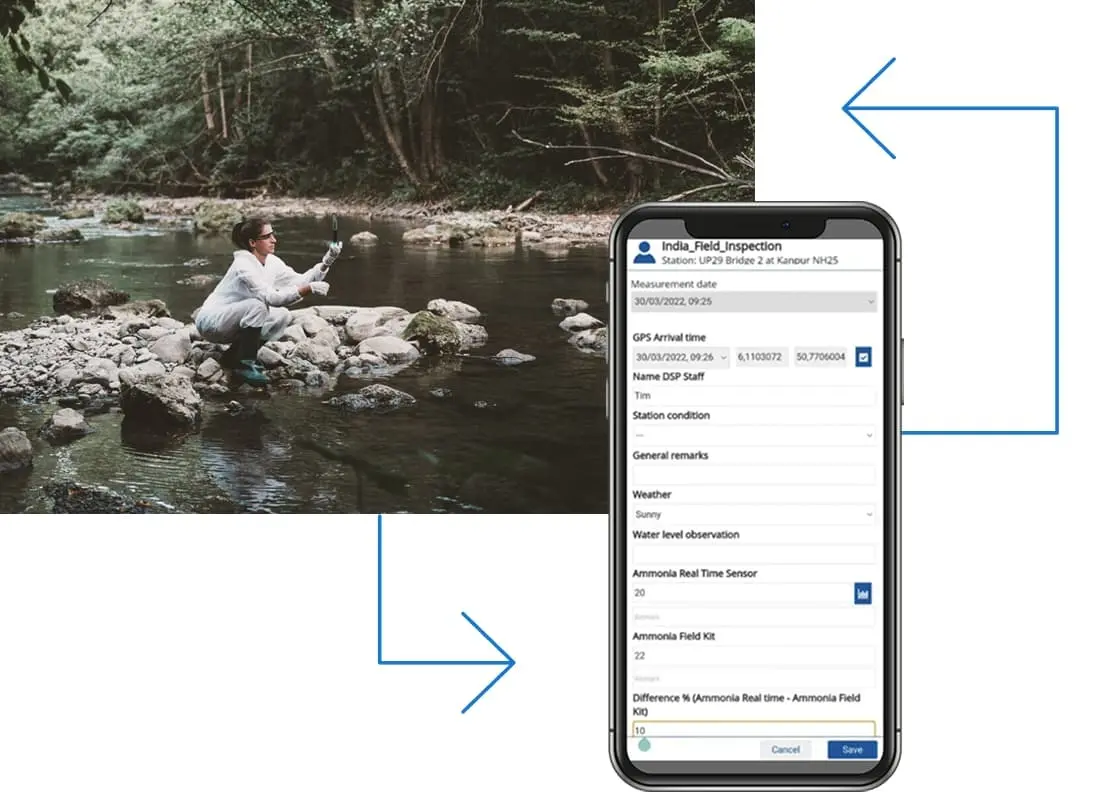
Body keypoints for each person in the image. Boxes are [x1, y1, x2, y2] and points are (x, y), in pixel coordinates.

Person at [194, 217, 342, 386]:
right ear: (252, 243)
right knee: (259, 305)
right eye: (267, 236)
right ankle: (245, 365)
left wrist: (327, 261)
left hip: (234, 320)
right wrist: (308, 289)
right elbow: (272, 298)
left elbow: (300, 281)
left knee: (282, 316)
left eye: (273, 234)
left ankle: (231, 358)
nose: (274, 240)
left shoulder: (272, 262)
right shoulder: (243, 265)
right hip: (211, 322)